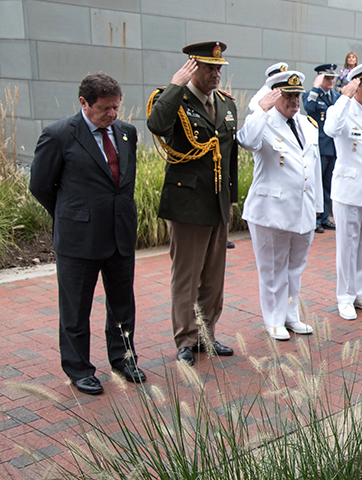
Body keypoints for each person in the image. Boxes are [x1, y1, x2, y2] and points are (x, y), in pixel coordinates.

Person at [29, 73, 145, 395]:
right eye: (105, 108)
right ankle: (79, 369)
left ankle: (124, 358)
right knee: (76, 309)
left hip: (119, 234)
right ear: (84, 103)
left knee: (123, 304)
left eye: (116, 108)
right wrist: (72, 214)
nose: (112, 115)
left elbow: (123, 182)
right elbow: (40, 185)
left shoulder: (126, 133)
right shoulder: (58, 135)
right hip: (78, 239)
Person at [146, 41, 239, 366]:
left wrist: (230, 200)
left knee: (214, 276)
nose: (216, 74)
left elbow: (229, 157)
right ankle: (185, 338)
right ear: (192, 68)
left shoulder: (227, 105)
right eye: (209, 68)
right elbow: (157, 125)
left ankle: (206, 334)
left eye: (219, 68)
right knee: (187, 275)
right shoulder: (173, 99)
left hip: (216, 204)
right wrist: (176, 85)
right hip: (187, 203)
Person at [238, 71, 320, 341]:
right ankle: (273, 320)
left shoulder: (306, 124)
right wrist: (261, 109)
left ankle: (290, 315)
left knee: (295, 267)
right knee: (273, 268)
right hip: (270, 210)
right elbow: (247, 141)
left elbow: (313, 167)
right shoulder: (263, 121)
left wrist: (316, 206)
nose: (294, 100)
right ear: (274, 95)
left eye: (297, 95)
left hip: (302, 208)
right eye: (287, 95)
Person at [323, 61, 362, 321]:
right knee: (347, 245)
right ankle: (345, 297)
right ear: (355, 85)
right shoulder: (342, 111)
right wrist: (344, 98)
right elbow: (330, 130)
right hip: (349, 189)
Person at [303, 63, 341, 234]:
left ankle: (324, 218)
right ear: (320, 78)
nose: (331, 80)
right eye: (327, 77)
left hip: (333, 147)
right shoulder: (312, 95)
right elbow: (309, 109)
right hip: (320, 146)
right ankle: (315, 218)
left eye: (333, 77)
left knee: (328, 185)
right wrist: (315, 88)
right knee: (317, 185)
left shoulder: (336, 96)